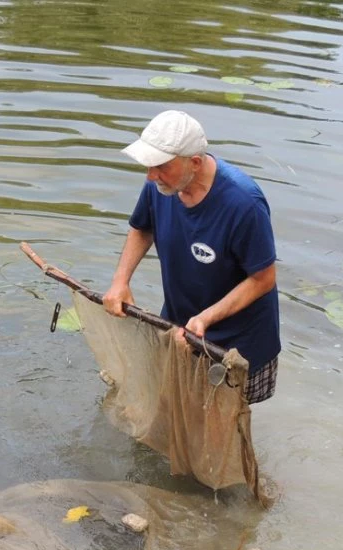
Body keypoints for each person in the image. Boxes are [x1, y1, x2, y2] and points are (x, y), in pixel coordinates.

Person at [103, 110, 280, 404]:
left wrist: (205, 318)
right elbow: (141, 228)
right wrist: (120, 282)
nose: (150, 175)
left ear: (194, 163)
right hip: (179, 328)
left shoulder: (244, 203)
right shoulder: (160, 186)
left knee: (221, 432)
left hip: (238, 343)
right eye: (148, 165)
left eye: (160, 166)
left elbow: (264, 278)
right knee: (170, 407)